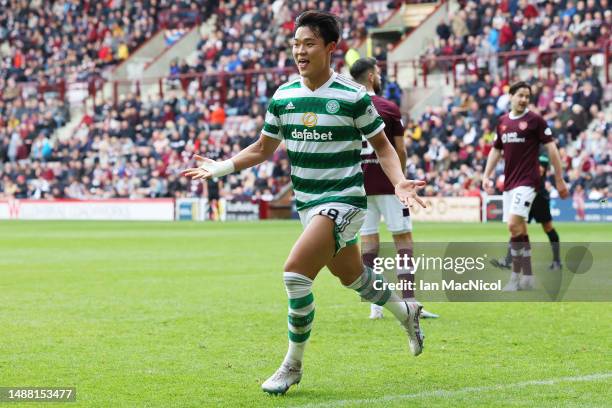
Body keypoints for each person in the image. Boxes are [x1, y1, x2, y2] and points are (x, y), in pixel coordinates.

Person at [183, 11, 426, 395]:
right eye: (296, 43)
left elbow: (383, 147)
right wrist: (223, 167)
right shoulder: (284, 96)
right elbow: (264, 148)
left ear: (331, 48)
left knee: (295, 274)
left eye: (309, 43)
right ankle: (406, 311)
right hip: (307, 203)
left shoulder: (353, 97)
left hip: (344, 200)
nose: (300, 50)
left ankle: (292, 364)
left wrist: (399, 183)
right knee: (354, 277)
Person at [349, 57, 438, 320]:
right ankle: (410, 302)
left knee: (369, 243)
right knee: (403, 240)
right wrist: (401, 180)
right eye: (377, 72)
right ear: (372, 77)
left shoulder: (348, 108)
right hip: (390, 185)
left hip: (361, 187)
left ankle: (376, 304)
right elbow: (399, 149)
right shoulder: (387, 107)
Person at [483, 81, 569, 291]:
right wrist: (486, 175)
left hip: (529, 182)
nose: (523, 99)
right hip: (510, 182)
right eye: (520, 95)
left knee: (513, 225)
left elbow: (552, 149)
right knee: (519, 229)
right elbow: (496, 150)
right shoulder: (502, 122)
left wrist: (559, 179)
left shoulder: (535, 120)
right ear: (510, 96)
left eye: (527, 96)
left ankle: (515, 278)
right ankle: (528, 277)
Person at [491, 155, 562, 271]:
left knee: (548, 228)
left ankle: (556, 261)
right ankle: (508, 260)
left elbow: (540, 170)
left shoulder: (541, 155)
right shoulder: (525, 152)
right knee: (517, 227)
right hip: (525, 196)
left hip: (539, 197)